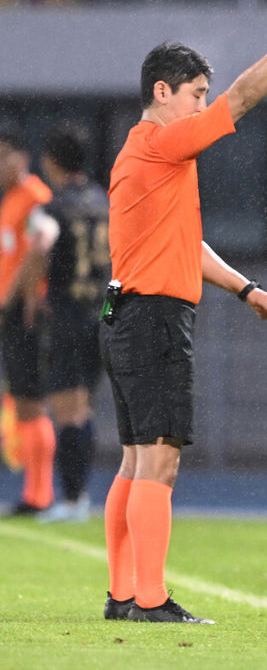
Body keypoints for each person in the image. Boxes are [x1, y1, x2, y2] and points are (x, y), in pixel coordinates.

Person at [100, 4, 267, 624]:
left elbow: (183, 244)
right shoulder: (162, 144)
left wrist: (243, 286)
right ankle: (148, 601)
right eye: (195, 94)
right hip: (152, 319)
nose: (203, 105)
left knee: (134, 457)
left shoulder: (138, 156)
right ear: (162, 91)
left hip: (125, 312)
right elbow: (243, 98)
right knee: (160, 457)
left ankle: (124, 595)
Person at [21, 124, 111, 523]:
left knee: (66, 410)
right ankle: (80, 496)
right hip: (101, 314)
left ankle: (72, 500)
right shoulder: (103, 201)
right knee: (84, 408)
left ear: (51, 161)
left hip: (66, 316)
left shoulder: (53, 209)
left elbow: (39, 248)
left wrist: (28, 298)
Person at [0, 125, 56, 518]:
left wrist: (18, 300)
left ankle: (40, 494)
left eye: (4, 155)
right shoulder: (11, 201)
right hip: (11, 313)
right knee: (22, 403)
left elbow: (40, 252)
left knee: (31, 403)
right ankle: (35, 491)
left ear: (21, 157)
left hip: (27, 313)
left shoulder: (36, 198)